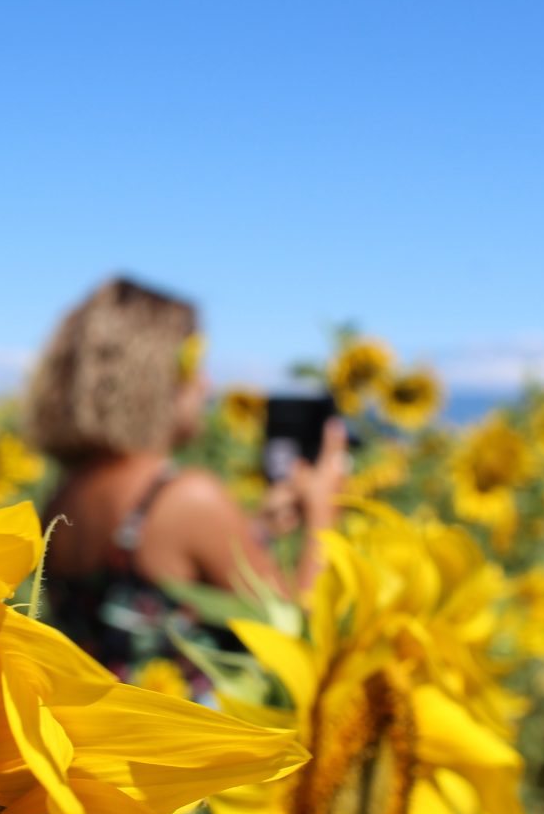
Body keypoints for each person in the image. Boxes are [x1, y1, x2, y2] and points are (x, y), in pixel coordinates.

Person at [23, 276, 346, 679]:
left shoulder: (63, 494)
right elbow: (298, 637)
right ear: (152, 373)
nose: (205, 382)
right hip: (200, 737)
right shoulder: (187, 499)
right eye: (195, 361)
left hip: (104, 738)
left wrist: (255, 531)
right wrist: (323, 513)